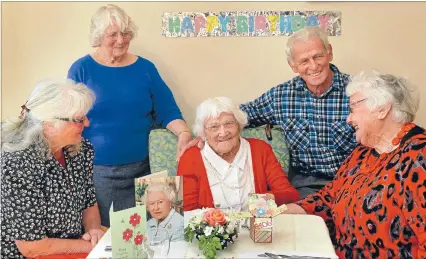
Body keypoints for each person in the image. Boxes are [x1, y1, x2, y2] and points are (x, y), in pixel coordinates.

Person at [180, 26, 357, 199]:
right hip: (306, 184)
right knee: (304, 220)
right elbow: (236, 116)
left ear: (330, 53)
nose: (313, 65)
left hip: (352, 179)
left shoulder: (356, 92)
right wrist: (205, 134)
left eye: (318, 56)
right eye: (304, 61)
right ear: (293, 65)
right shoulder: (281, 96)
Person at [67, 4, 192, 227]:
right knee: (109, 237)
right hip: (97, 173)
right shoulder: (81, 69)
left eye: (125, 33)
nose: (121, 40)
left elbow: (167, 110)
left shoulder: (145, 69)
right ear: (98, 36)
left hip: (143, 172)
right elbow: (69, 119)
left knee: (149, 234)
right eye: (113, 34)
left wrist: (183, 132)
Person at [283, 71, 426, 258]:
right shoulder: (363, 152)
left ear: (382, 109)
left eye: (352, 108)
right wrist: (293, 209)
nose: (348, 119)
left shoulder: (419, 158)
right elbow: (332, 195)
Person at [1, 79, 103, 258]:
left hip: (73, 247)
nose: (87, 123)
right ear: (49, 125)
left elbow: (89, 201)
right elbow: (31, 247)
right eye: (79, 119)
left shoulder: (81, 149)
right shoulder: (18, 163)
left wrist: (94, 231)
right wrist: (90, 247)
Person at [177, 97, 300, 211]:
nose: (223, 132)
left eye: (229, 123)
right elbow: (186, 212)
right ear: (203, 132)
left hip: (257, 230)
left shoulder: (260, 149)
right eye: (214, 127)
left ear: (239, 125)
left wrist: (269, 199)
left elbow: (290, 194)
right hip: (211, 233)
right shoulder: (190, 158)